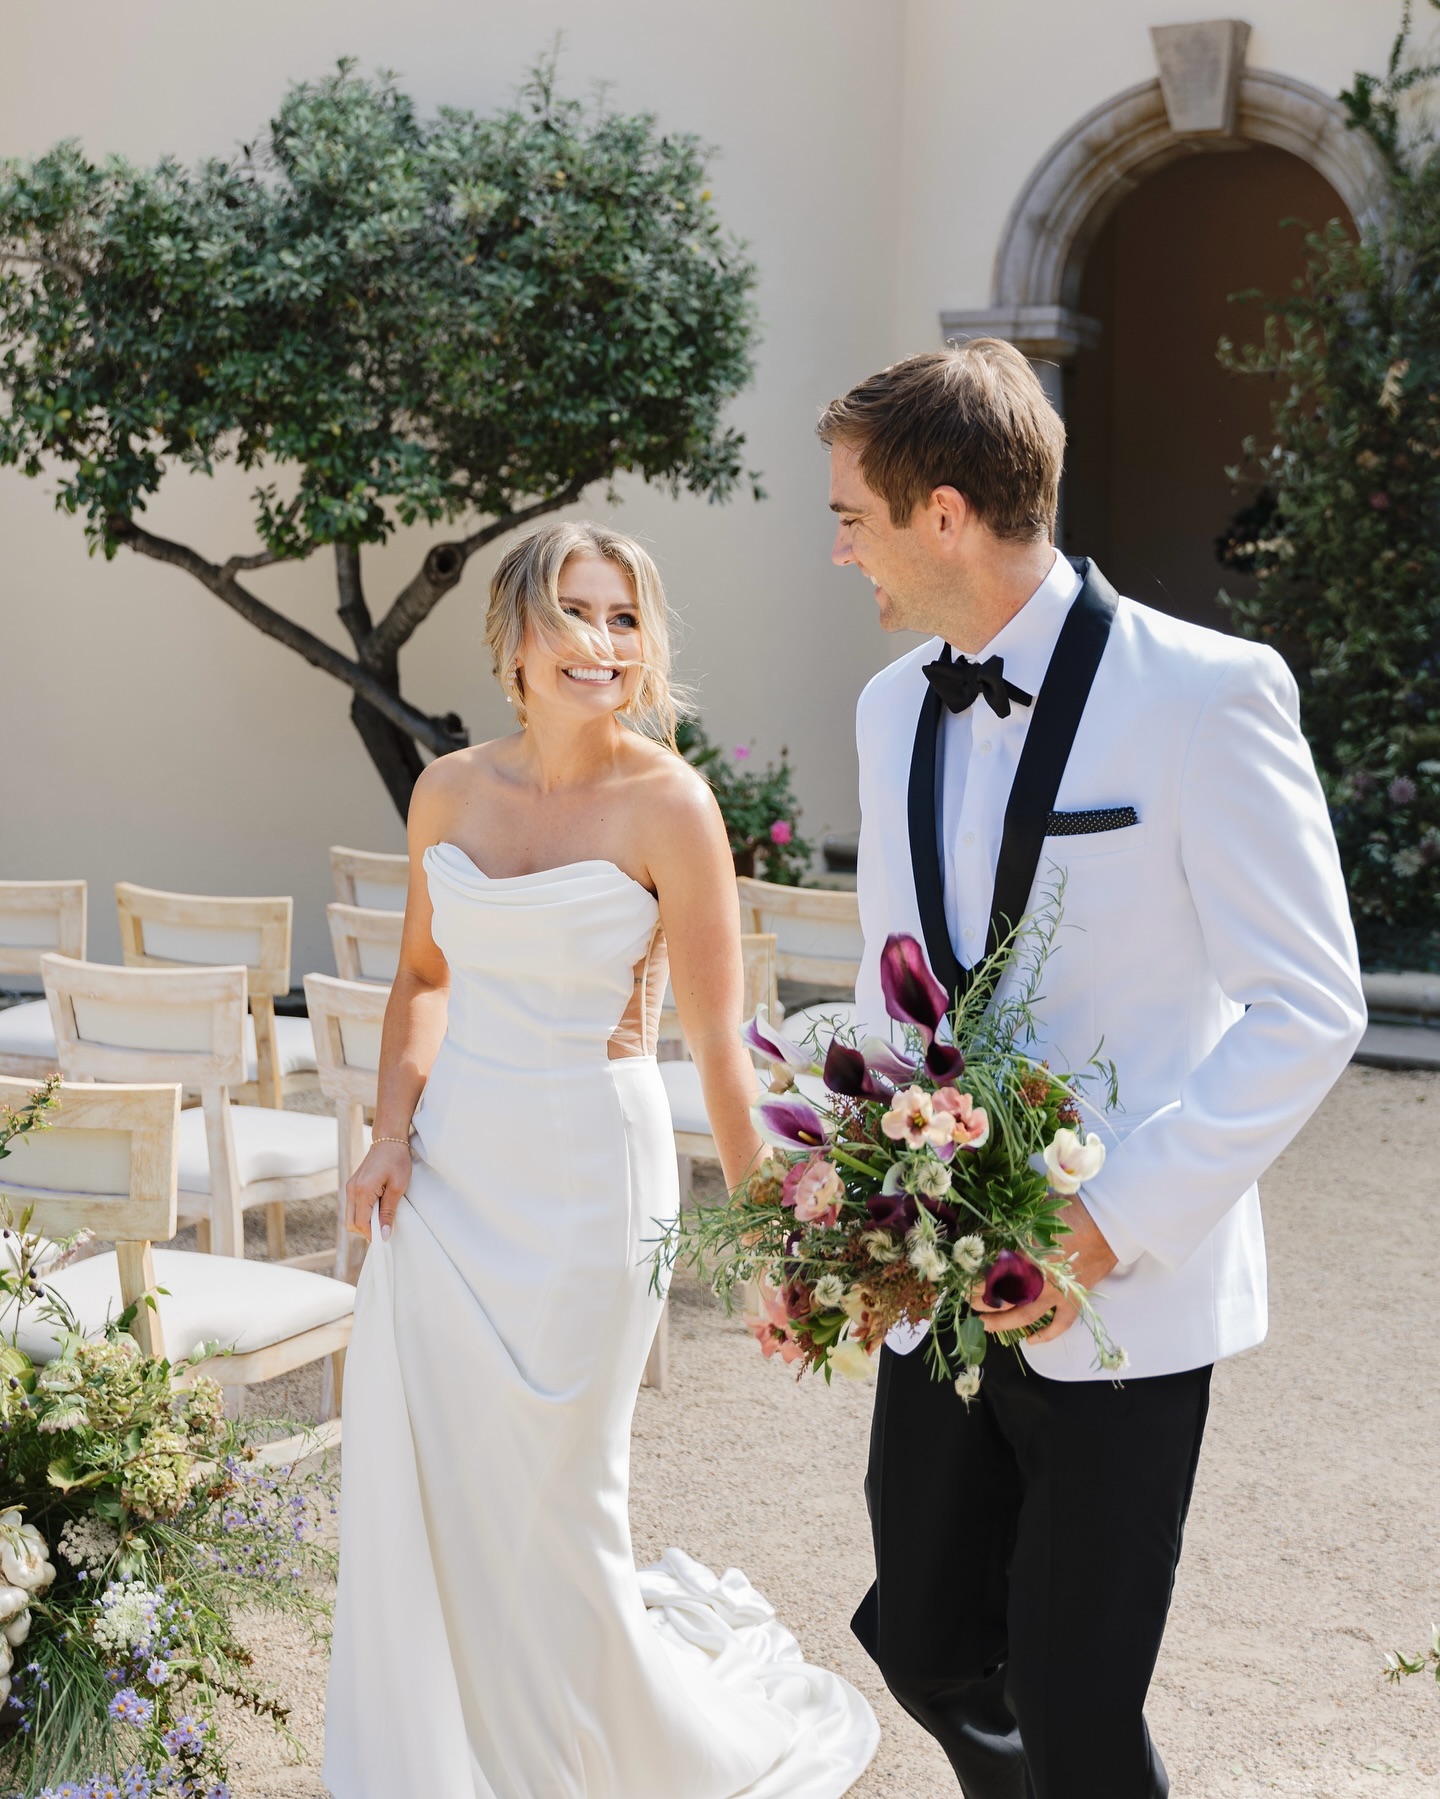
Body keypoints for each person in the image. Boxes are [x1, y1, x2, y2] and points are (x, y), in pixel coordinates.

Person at [823, 341, 1366, 1798]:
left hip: (1125, 1294)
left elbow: (1311, 1001)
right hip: (935, 1272)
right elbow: (899, 987)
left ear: (944, 513)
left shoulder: (1209, 691)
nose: (841, 550)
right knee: (926, 1637)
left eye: (851, 517)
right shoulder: (889, 713)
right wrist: (833, 1203)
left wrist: (1112, 1217)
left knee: (1075, 1698)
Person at [322, 520, 878, 1798]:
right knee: (447, 1488)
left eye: (626, 619)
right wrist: (390, 1132)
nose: (603, 643)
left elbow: (724, 1047)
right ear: (513, 636)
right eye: (575, 613)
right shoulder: (448, 788)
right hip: (453, 1175)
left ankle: (597, 1762)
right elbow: (420, 979)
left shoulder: (670, 804)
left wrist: (770, 1244)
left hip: (591, 1176)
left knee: (564, 1495)